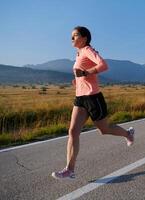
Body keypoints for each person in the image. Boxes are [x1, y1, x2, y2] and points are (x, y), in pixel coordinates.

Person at [52, 26, 135, 180]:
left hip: (93, 97)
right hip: (80, 98)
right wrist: (77, 81)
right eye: (71, 36)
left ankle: (128, 134)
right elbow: (83, 73)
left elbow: (103, 65)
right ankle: (70, 170)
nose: (72, 39)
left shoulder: (88, 50)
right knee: (73, 132)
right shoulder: (78, 53)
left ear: (84, 38)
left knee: (104, 129)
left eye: (75, 35)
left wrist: (85, 73)